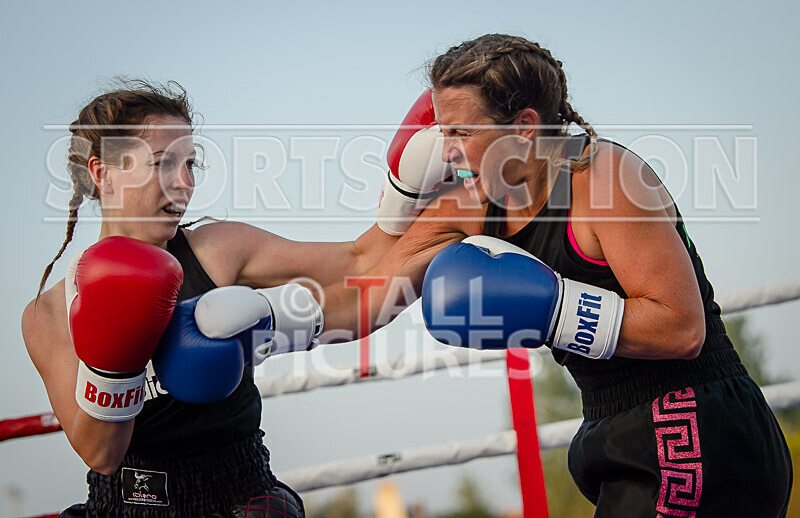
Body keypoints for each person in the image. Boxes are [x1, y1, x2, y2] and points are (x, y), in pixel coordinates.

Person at [316, 34, 793, 516]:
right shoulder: (472, 208)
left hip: (698, 422)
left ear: (524, 127)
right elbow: (365, 288)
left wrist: (554, 310)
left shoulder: (602, 177)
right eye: (442, 132)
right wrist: (278, 320)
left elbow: (682, 328)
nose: (446, 152)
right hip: (611, 429)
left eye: (461, 132)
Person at [21, 80, 446, 517]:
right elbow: (101, 454)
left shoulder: (217, 250)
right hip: (125, 505)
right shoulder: (49, 313)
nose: (184, 183)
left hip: (241, 494)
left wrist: (422, 196)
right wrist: (116, 360)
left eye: (190, 164)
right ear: (102, 173)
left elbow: (360, 259)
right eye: (163, 163)